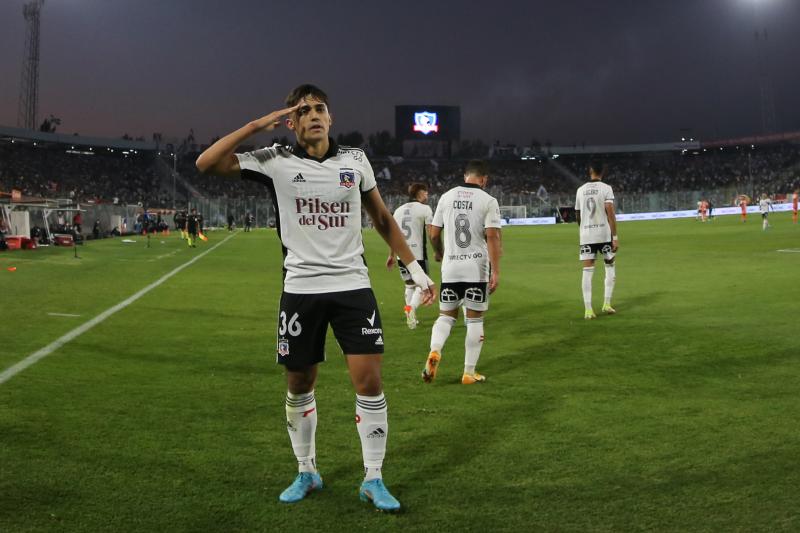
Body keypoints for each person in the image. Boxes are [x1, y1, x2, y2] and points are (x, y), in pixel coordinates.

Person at [195, 84, 435, 512]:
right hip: (301, 291)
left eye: (320, 108)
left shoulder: (355, 160)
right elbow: (206, 163)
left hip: (353, 288)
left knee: (370, 382)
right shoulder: (274, 160)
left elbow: (381, 217)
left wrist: (414, 269)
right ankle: (307, 470)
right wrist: (255, 125)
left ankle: (373, 478)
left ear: (331, 117)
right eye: (303, 111)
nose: (314, 115)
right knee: (299, 383)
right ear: (291, 122)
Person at [422, 160, 502, 385]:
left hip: (451, 267)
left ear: (465, 175)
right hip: (476, 269)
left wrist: (439, 253)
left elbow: (434, 233)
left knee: (446, 316)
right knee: (475, 320)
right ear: (484, 179)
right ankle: (469, 372)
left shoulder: (446, 197)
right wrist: (496, 271)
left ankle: (435, 350)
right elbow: (493, 236)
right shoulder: (488, 200)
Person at [386, 183, 433, 329]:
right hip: (417, 255)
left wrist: (391, 255)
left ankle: (411, 319)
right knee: (422, 284)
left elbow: (393, 234)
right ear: (419, 193)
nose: (427, 195)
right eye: (425, 192)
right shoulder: (425, 209)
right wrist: (438, 250)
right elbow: (431, 233)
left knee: (409, 285)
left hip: (402, 255)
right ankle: (411, 308)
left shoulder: (398, 210)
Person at [575, 161, 618, 319]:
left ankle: (588, 310)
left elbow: (577, 215)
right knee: (610, 266)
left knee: (587, 271)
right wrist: (615, 237)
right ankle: (607, 304)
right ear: (603, 172)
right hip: (604, 234)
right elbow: (610, 213)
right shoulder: (606, 189)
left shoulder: (580, 190)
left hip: (586, 235)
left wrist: (584, 229)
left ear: (590, 171)